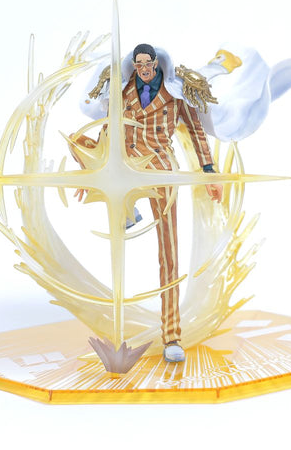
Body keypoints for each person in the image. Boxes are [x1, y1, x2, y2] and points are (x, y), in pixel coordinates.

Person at [73, 44, 222, 362]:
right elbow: (107, 129)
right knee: (75, 140)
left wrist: (209, 171)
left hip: (159, 169)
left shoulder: (175, 93)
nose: (143, 68)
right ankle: (129, 211)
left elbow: (196, 131)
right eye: (138, 63)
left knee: (169, 253)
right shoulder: (121, 90)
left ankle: (172, 335)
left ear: (156, 63)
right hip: (124, 165)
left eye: (148, 63)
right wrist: (92, 171)